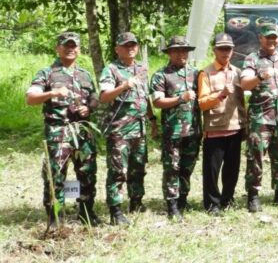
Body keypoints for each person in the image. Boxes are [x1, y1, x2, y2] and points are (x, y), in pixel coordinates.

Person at [26, 32, 100, 228]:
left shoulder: (84, 74)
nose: (71, 49)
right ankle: (55, 216)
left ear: (79, 49)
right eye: (66, 45)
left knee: (85, 172)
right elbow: (31, 98)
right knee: (56, 173)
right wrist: (52, 92)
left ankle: (85, 211)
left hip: (83, 132)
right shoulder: (47, 73)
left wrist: (90, 107)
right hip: (59, 132)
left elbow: (94, 95)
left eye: (74, 45)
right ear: (57, 48)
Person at [99, 32, 157, 226]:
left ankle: (136, 202)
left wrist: (152, 119)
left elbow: (145, 96)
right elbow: (104, 97)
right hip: (120, 131)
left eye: (133, 45)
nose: (130, 48)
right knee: (118, 171)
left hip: (139, 129)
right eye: (125, 45)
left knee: (138, 168)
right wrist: (123, 86)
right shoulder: (112, 69)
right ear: (117, 49)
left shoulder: (141, 69)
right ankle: (115, 210)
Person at [240, 23, 278, 213]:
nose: (272, 40)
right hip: (260, 119)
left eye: (274, 37)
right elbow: (245, 84)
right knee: (256, 158)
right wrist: (261, 77)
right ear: (260, 38)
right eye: (268, 37)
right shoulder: (252, 60)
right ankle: (253, 196)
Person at [150, 36, 200, 221]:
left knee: (187, 167)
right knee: (172, 168)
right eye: (177, 50)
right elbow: (157, 102)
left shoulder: (196, 73)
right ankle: (172, 203)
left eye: (185, 50)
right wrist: (180, 98)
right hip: (173, 132)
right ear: (169, 53)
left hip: (193, 130)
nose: (182, 54)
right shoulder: (161, 75)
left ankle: (183, 199)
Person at [197, 33, 248, 215]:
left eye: (228, 48)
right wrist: (220, 95)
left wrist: (245, 125)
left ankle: (227, 199)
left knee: (232, 170)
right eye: (221, 48)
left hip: (235, 128)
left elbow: (242, 102)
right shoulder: (206, 73)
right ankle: (212, 204)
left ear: (233, 51)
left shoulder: (238, 73)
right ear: (214, 50)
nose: (225, 52)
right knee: (212, 171)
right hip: (215, 129)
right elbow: (202, 103)